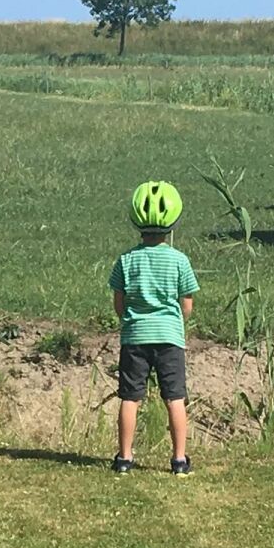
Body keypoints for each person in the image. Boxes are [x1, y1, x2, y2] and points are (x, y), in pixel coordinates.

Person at [108, 181, 200, 476]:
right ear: (173, 223)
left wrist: (130, 320)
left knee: (130, 397)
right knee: (174, 398)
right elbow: (187, 304)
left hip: (135, 337)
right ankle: (179, 460)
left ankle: (124, 457)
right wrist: (175, 322)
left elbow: (119, 303)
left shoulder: (126, 260)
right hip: (170, 338)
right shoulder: (179, 261)